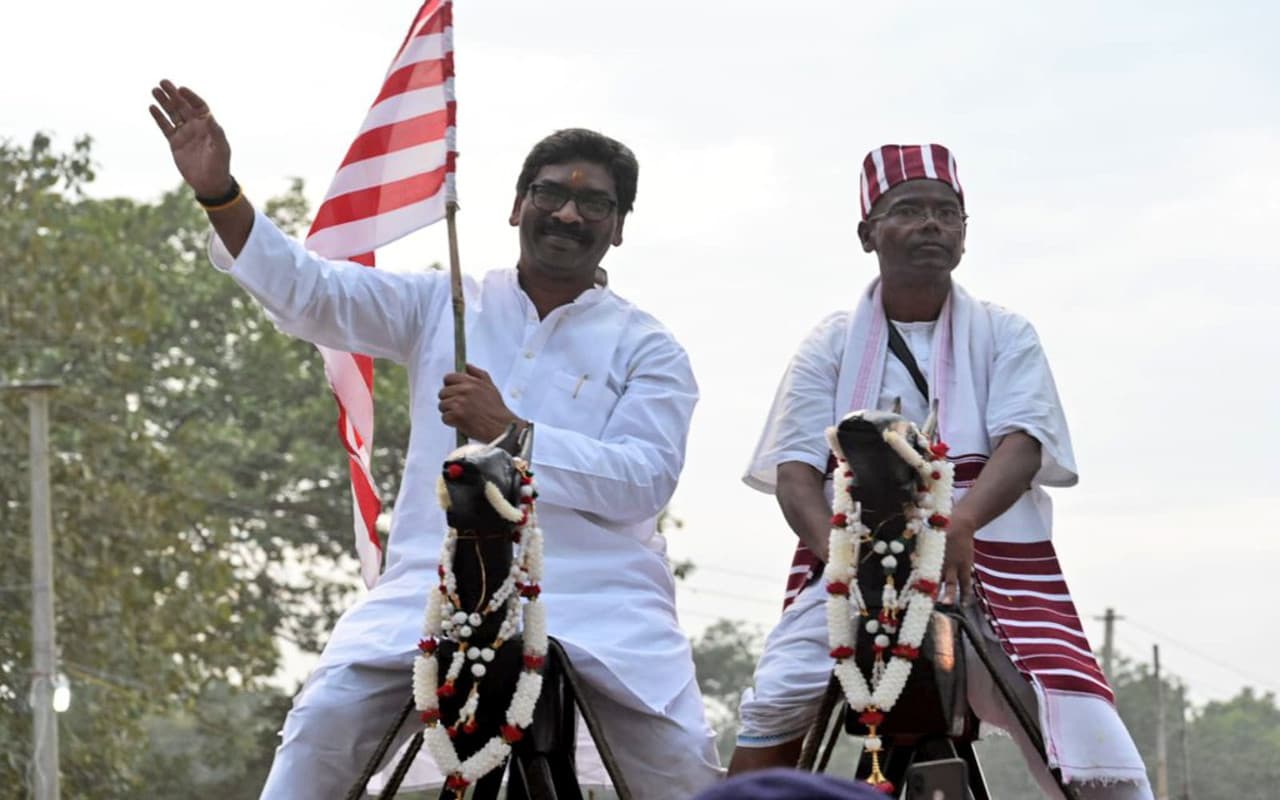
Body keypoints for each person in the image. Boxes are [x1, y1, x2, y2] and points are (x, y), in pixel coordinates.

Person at [147, 80, 720, 799]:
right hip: (431, 586)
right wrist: (219, 194)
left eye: (594, 203)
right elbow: (309, 292)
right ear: (517, 206)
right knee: (319, 730)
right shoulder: (443, 303)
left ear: (619, 227)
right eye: (549, 193)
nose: (568, 213)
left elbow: (644, 481)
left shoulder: (649, 348)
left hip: (599, 599)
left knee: (683, 764)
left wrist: (512, 434)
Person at [729, 144, 1152, 798]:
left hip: (986, 561)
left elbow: (1024, 443)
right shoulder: (830, 340)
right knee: (777, 693)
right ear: (868, 233)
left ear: (964, 232)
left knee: (1081, 719)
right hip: (853, 567)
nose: (932, 224)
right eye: (909, 210)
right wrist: (841, 562)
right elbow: (794, 473)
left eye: (947, 212)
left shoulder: (1007, 332)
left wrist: (961, 525)